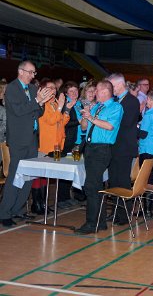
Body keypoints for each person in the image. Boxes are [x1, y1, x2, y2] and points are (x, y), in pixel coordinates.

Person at [0, 61, 54, 226]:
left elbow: (38, 112)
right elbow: (18, 110)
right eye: (30, 72)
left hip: (32, 139)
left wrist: (41, 102)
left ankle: (18, 209)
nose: (33, 75)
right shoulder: (12, 88)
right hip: (18, 139)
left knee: (28, 176)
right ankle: (4, 213)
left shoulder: (32, 89)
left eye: (34, 73)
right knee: (15, 176)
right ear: (21, 71)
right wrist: (37, 101)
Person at [75, 80, 123, 234]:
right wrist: (85, 115)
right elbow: (84, 127)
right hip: (89, 148)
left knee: (91, 185)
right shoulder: (96, 106)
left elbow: (109, 126)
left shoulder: (116, 107)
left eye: (96, 90)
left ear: (104, 91)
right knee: (95, 186)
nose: (94, 93)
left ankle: (91, 223)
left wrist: (91, 117)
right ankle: (100, 222)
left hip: (101, 149)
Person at [31, 79, 70, 214]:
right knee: (39, 175)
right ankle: (36, 203)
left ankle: (42, 203)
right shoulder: (44, 105)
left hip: (56, 144)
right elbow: (51, 120)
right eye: (50, 88)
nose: (53, 90)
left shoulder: (53, 103)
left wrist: (67, 109)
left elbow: (62, 122)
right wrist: (60, 107)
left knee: (46, 176)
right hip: (45, 144)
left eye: (54, 88)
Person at [107, 73, 140, 225]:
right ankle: (115, 211)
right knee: (113, 180)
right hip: (115, 147)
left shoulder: (132, 101)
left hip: (124, 148)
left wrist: (108, 122)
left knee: (123, 181)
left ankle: (124, 214)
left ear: (120, 85)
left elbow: (125, 123)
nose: (109, 89)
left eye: (111, 86)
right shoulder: (115, 101)